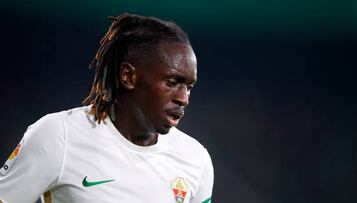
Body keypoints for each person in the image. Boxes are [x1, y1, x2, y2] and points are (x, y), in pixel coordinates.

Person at [0, 13, 214, 203]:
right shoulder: (59, 136)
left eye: (189, 86)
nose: (184, 98)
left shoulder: (195, 159)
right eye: (172, 83)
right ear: (128, 76)